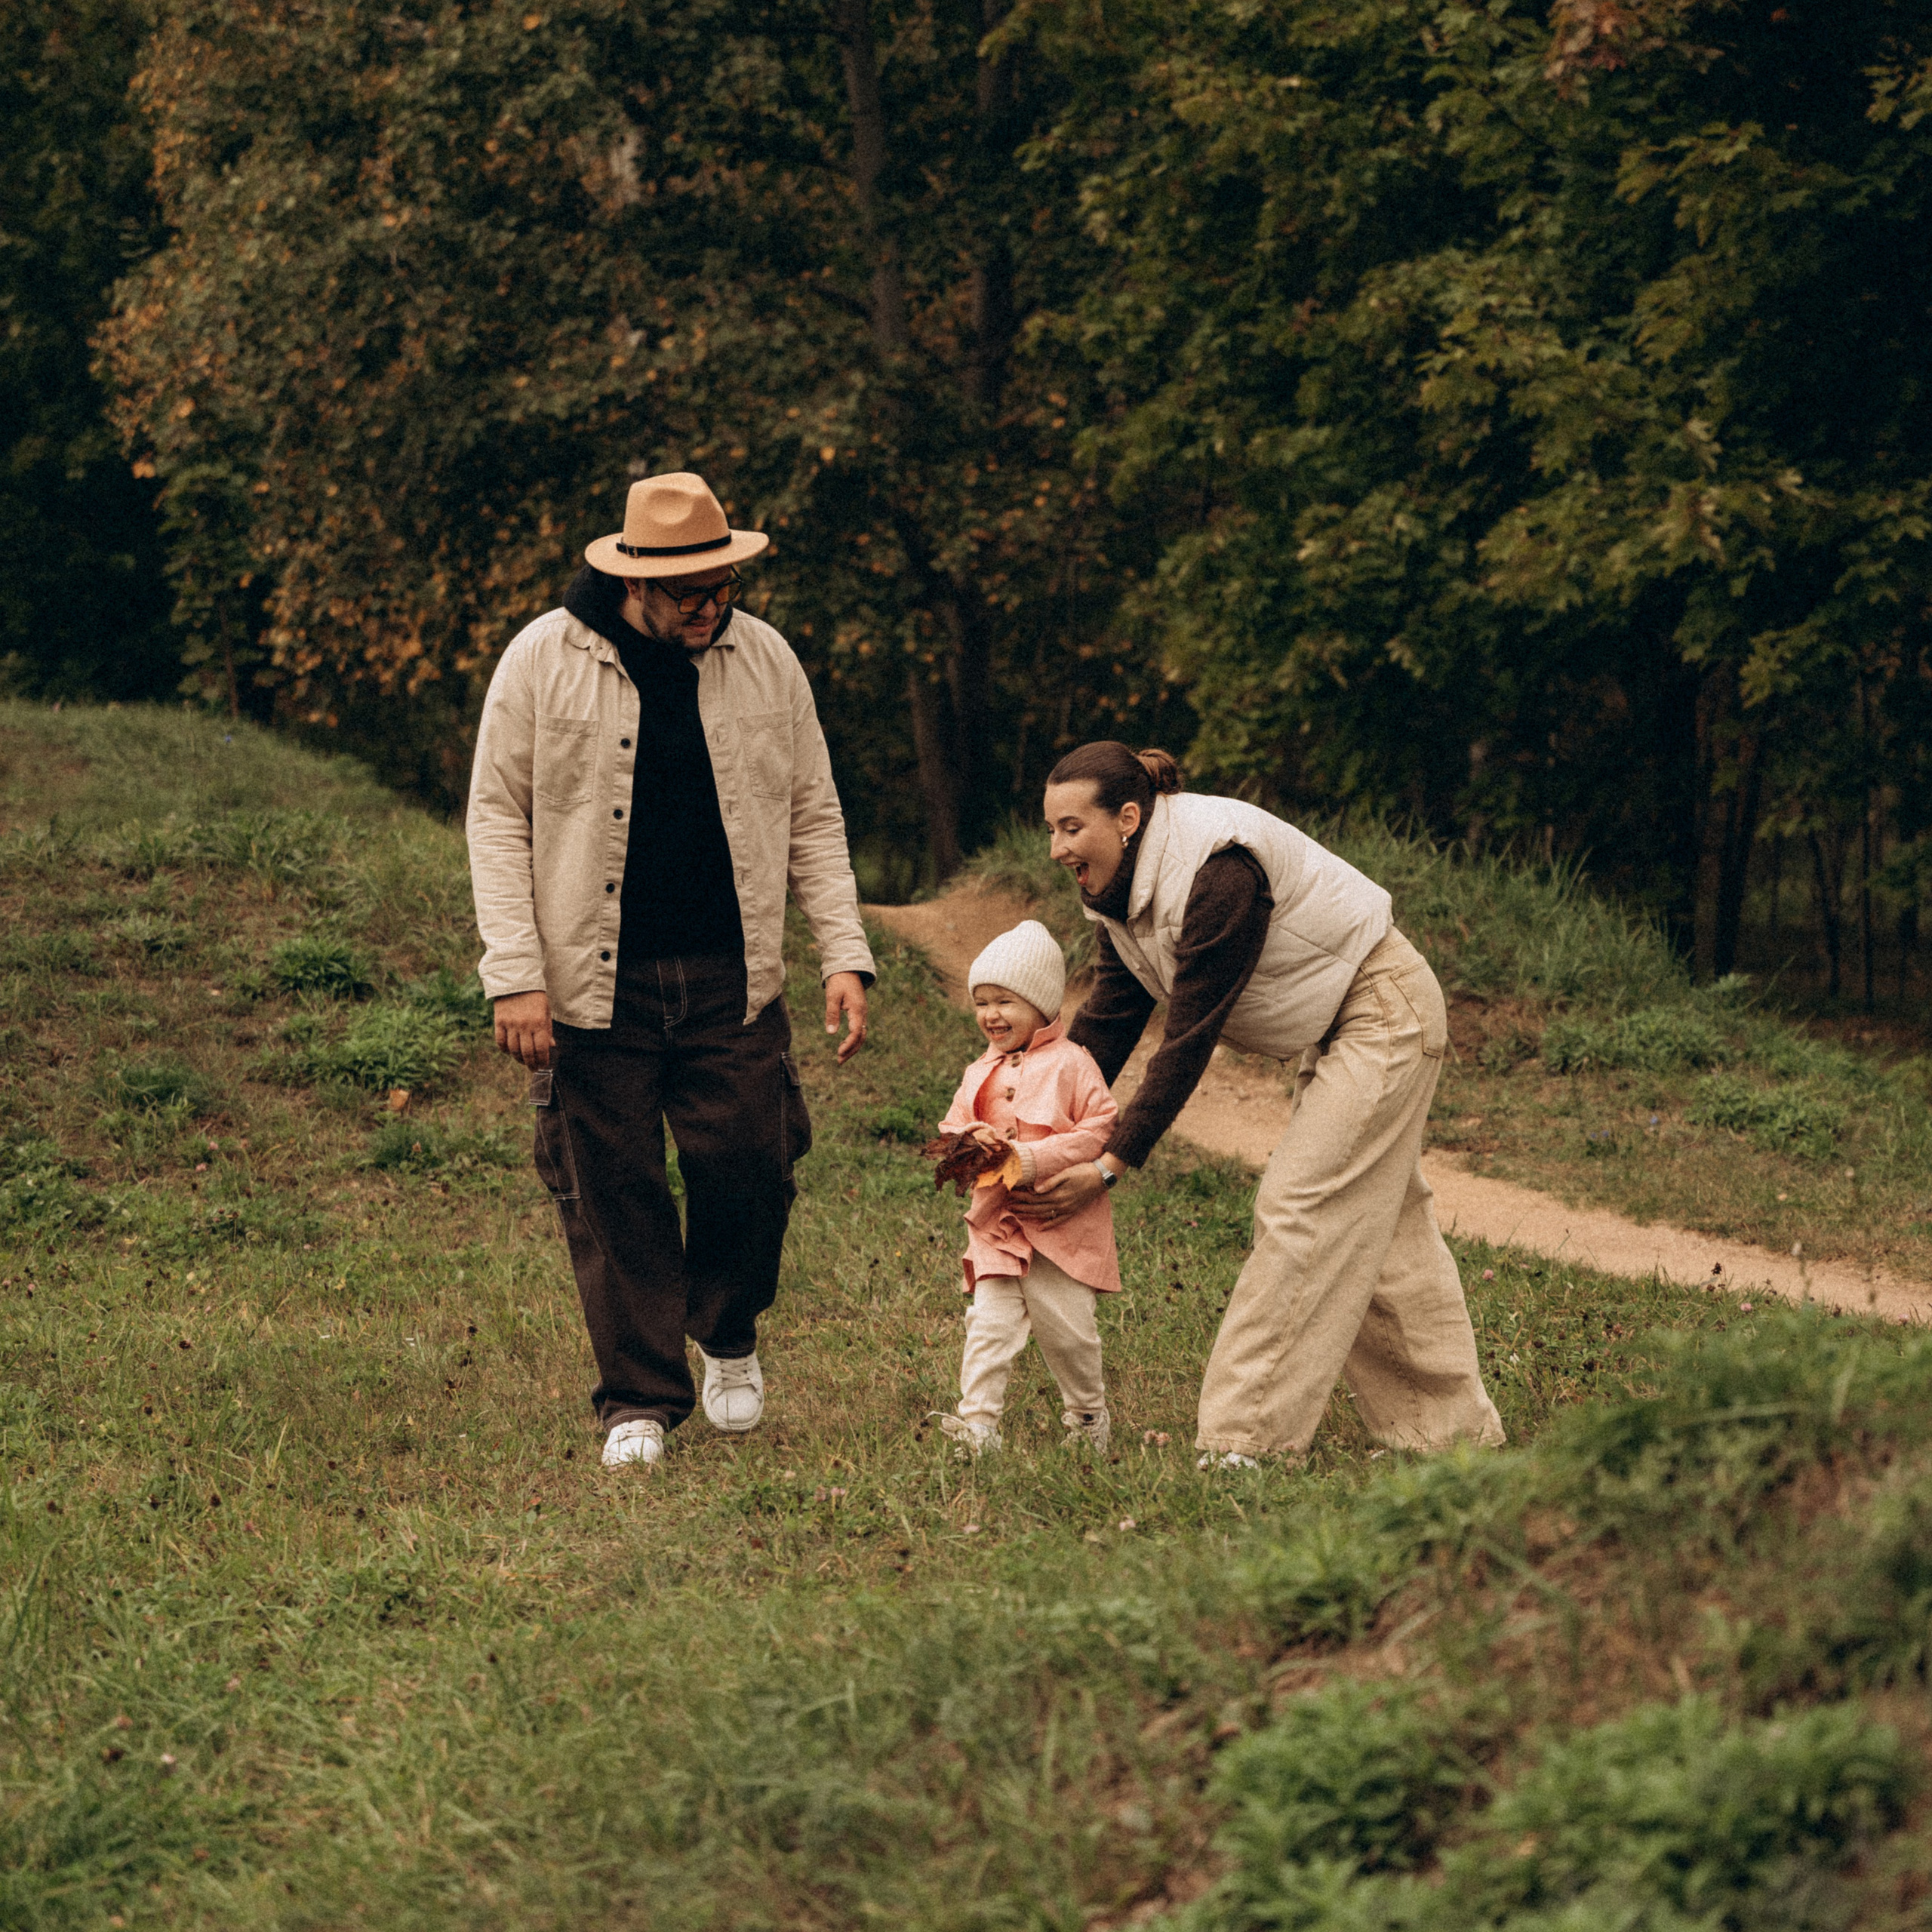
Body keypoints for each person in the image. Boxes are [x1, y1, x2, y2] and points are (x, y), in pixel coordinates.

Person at [466, 470, 875, 1471]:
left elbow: (814, 811)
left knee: (753, 1165)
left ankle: (727, 1331)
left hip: (733, 976)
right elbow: (495, 814)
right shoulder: (540, 660)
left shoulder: (766, 659)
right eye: (692, 593)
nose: (712, 606)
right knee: (614, 1194)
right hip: (589, 985)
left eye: (724, 586)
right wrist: (514, 970)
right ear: (634, 580)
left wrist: (845, 952)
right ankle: (640, 1400)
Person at [1011, 742, 1504, 1467]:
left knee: (1301, 1207)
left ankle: (1248, 1442)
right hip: (1341, 1022)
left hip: (1385, 1011)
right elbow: (1113, 1015)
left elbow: (1189, 1035)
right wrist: (1029, 1128)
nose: (1056, 848)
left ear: (1125, 818)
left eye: (1070, 828)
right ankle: (1449, 1439)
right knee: (1383, 1234)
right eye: (1051, 829)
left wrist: (1111, 1163)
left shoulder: (1218, 872)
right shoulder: (1121, 889)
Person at [928, 920, 1120, 1456]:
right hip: (997, 1223)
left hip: (1060, 1222)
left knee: (1070, 1334)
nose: (990, 1015)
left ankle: (1087, 1419)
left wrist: (1035, 1158)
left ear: (1042, 1005)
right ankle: (978, 1427)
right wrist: (970, 1137)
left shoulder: (1073, 1064)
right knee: (987, 1326)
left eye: (1005, 1001)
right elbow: (951, 1129)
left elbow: (1101, 1127)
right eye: (981, 1002)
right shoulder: (977, 1072)